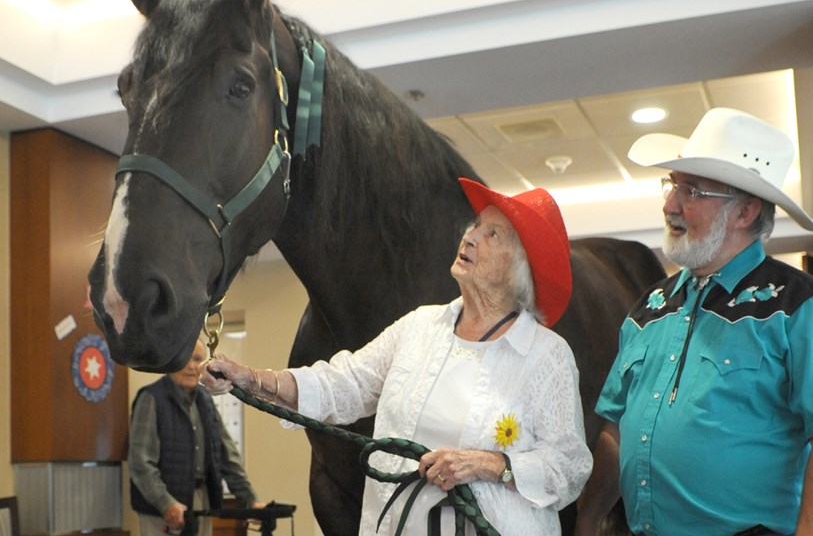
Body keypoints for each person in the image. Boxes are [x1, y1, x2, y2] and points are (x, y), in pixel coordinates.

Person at [202, 177, 592, 535]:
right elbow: (345, 384)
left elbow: (570, 468)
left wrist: (492, 465)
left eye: (494, 234)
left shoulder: (546, 355)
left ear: (518, 268)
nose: (471, 237)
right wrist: (251, 379)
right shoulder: (420, 326)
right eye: (475, 226)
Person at [575, 108, 813, 536]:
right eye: (672, 185)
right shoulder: (648, 307)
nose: (670, 204)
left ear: (745, 212)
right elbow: (615, 430)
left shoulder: (803, 307)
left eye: (692, 191)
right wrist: (587, 519)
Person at [129, 338, 265, 536]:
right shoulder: (151, 398)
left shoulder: (206, 400)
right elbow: (140, 463)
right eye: (185, 359)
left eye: (197, 359)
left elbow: (227, 456)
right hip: (161, 510)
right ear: (171, 361)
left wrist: (251, 499)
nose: (191, 366)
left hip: (201, 503)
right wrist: (166, 503)